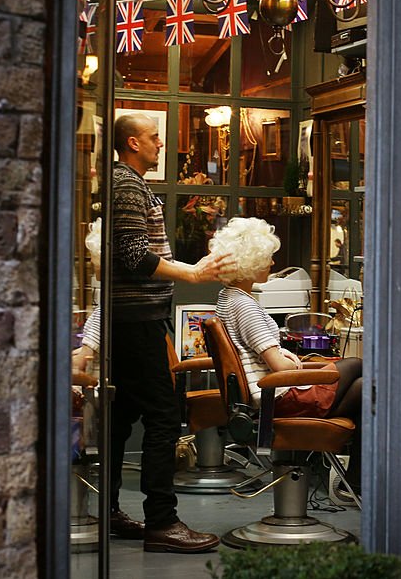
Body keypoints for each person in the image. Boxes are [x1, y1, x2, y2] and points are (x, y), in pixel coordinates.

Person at [109, 112, 230, 553]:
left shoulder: (132, 183)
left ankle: (108, 511)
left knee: (122, 418)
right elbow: (133, 256)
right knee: (163, 416)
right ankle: (162, 522)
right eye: (154, 138)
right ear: (133, 144)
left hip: (135, 317)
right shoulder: (125, 183)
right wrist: (194, 275)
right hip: (135, 320)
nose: (162, 145)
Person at [209, 217, 362, 492]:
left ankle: (354, 478)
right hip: (278, 398)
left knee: (364, 388)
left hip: (268, 397)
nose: (272, 264)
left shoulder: (226, 298)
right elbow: (278, 367)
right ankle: (356, 480)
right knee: (357, 365)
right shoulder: (245, 307)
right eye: (267, 258)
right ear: (249, 263)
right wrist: (296, 362)